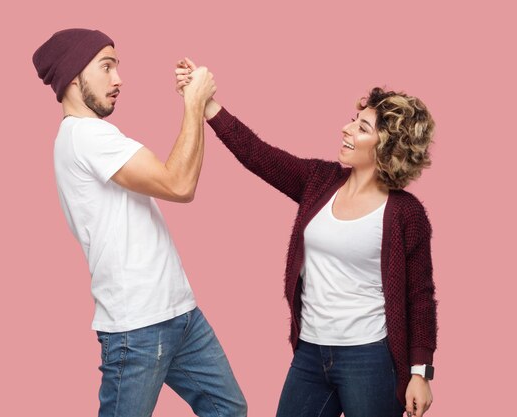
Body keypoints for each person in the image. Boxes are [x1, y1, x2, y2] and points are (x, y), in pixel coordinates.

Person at [176, 59, 437, 417]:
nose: (346, 129)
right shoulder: (320, 180)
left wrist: (420, 373)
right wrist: (206, 104)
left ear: (386, 148)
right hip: (311, 353)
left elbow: (420, 296)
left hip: (371, 358)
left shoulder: (407, 214)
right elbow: (257, 154)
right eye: (352, 120)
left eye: (361, 128)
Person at [32, 29, 247, 417]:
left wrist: (195, 106)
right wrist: (194, 103)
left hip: (179, 313)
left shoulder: (92, 137)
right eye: (106, 67)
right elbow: (178, 183)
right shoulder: (86, 137)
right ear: (73, 75)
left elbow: (180, 181)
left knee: (228, 409)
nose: (118, 80)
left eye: (118, 67)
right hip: (138, 326)